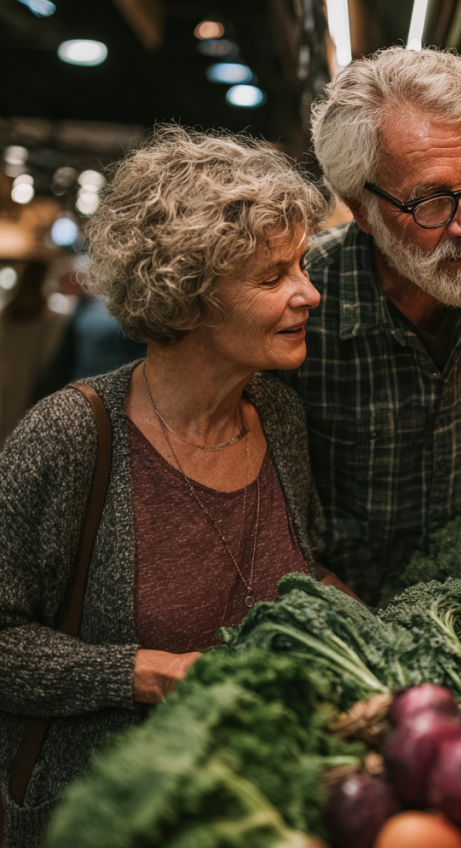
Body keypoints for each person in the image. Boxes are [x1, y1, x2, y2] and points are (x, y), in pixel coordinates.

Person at [0, 126, 333, 848]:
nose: (308, 292)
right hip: (103, 818)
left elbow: (292, 576)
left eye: (302, 264)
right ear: (188, 294)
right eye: (274, 276)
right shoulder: (69, 435)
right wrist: (142, 672)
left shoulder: (279, 416)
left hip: (254, 814)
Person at [285, 47, 461, 604]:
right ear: (363, 211)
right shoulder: (301, 305)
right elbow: (272, 519)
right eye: (431, 202)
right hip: (344, 606)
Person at [0, 260, 67, 444]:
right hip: (29, 381)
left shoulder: (7, 312)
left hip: (4, 377)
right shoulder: (51, 319)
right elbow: (47, 355)